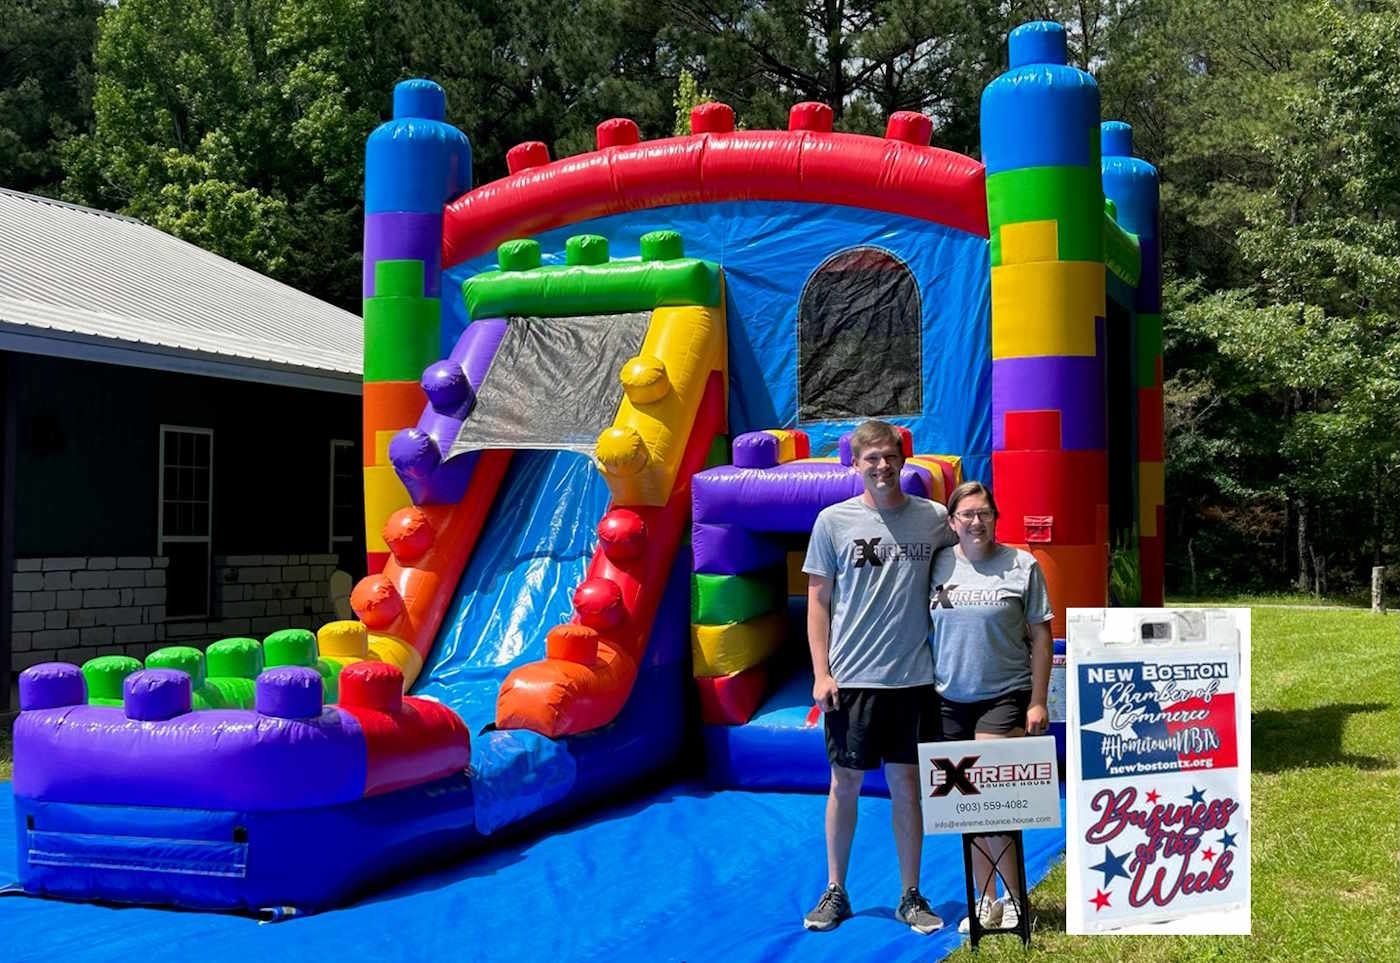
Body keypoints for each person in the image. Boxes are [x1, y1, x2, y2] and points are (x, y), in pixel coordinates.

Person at [801, 419, 957, 934]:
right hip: (852, 678)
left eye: (890, 456)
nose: (882, 466)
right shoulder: (833, 522)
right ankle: (835, 890)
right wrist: (821, 673)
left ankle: (910, 895)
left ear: (903, 459)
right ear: (856, 464)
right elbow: (818, 601)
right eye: (872, 458)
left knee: (907, 785)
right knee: (844, 782)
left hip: (913, 678)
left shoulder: (934, 518)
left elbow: (971, 555)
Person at [928, 480, 1053, 933]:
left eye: (984, 513)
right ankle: (985, 899)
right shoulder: (938, 564)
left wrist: (1038, 700)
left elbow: (1042, 635)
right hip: (949, 698)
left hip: (1005, 694)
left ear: (996, 518)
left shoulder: (1022, 565)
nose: (976, 521)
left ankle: (1016, 898)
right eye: (967, 514)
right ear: (952, 522)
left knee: (995, 802)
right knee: (968, 806)